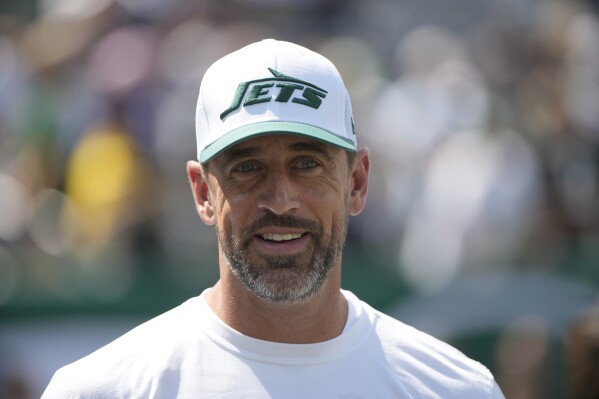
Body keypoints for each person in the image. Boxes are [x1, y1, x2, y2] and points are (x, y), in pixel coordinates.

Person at [42, 39, 505, 399]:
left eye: (307, 163)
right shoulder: (100, 389)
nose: (280, 200)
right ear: (203, 192)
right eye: (246, 168)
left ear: (357, 183)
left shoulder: (456, 390)